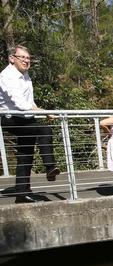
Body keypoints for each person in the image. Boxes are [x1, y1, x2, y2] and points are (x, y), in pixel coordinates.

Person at [0, 45, 60, 203]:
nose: (26, 61)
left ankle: (22, 193)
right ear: (12, 59)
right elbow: (20, 104)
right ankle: (50, 167)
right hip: (11, 118)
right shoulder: (7, 77)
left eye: (28, 58)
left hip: (25, 117)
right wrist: (44, 112)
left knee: (26, 154)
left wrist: (42, 110)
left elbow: (30, 103)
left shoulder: (25, 75)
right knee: (44, 129)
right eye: (22, 57)